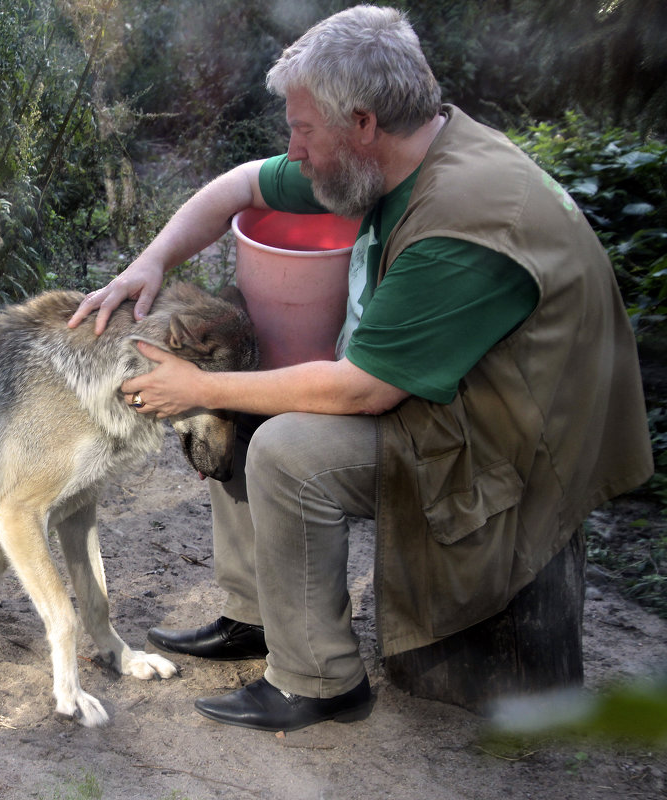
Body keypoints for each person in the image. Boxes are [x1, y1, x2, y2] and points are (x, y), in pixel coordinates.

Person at [68, 4, 653, 733]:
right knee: (242, 405)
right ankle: (257, 616)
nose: (293, 146)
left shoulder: (465, 220)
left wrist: (200, 387)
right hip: (457, 396)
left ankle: (318, 679)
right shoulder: (389, 159)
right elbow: (241, 186)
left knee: (284, 445)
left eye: (303, 129)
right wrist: (149, 263)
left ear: (363, 121)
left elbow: (364, 389)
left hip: (513, 451)